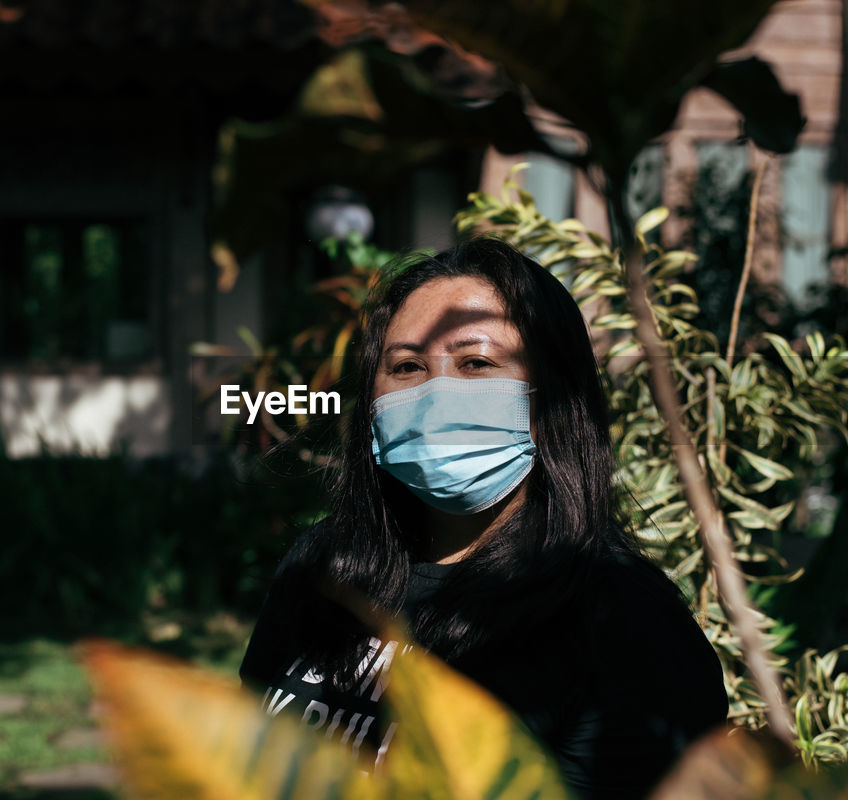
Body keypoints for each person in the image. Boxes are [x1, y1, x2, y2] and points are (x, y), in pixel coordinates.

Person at [239, 237, 727, 799]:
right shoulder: (324, 562)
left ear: (554, 396)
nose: (436, 393)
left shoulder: (621, 620)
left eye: (476, 363)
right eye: (405, 366)